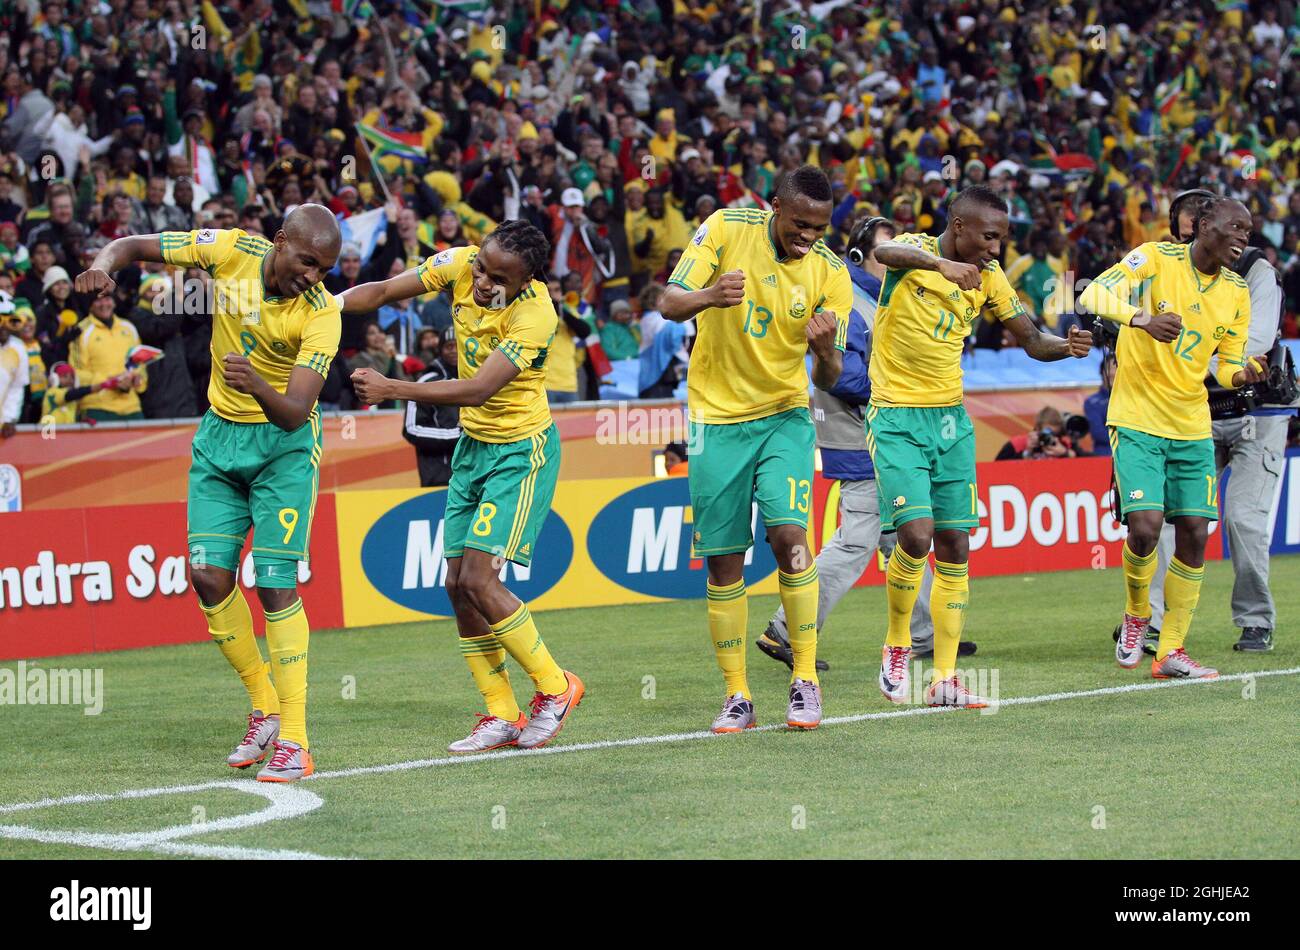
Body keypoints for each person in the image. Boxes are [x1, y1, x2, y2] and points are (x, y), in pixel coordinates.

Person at [76, 204, 344, 782]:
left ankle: (295, 740)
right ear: (279, 242)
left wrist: (256, 382)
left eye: (324, 268)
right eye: (306, 261)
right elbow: (132, 245)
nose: (312, 276)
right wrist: (103, 264)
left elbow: (297, 413)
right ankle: (264, 705)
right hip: (220, 440)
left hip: (284, 451)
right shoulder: (231, 251)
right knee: (207, 575)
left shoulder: (322, 315)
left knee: (274, 583)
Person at [341, 220, 584, 754]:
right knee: (455, 585)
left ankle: (555, 686)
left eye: (498, 277)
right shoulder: (457, 264)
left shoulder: (536, 314)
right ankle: (500, 711)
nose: (482, 280)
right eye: (481, 266)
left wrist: (391, 389)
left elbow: (476, 389)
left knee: (479, 578)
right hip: (472, 450)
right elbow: (381, 291)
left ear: (526, 281)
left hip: (522, 453)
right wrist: (324, 305)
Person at [869, 185, 1092, 707]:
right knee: (916, 534)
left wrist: (1068, 348)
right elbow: (884, 254)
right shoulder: (913, 250)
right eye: (989, 237)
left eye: (1003, 239)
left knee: (955, 544)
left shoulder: (990, 278)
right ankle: (898, 644)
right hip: (896, 414)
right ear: (959, 226)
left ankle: (944, 678)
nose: (996, 249)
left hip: (949, 419)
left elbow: (1033, 340)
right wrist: (938, 266)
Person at [661, 165, 852, 732]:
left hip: (784, 417)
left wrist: (824, 351)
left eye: (819, 228)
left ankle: (805, 678)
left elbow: (830, 377)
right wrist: (708, 296)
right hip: (714, 420)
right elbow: (669, 303)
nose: (808, 237)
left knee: (791, 539)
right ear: (775, 206)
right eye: (799, 225)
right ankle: (737, 694)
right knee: (722, 561)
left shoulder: (829, 272)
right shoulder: (725, 227)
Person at [757, 215, 959, 673]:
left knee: (901, 534)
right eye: (889, 249)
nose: (901, 257)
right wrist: (901, 387)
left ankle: (926, 633)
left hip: (876, 432)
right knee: (857, 541)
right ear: (859, 256)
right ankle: (786, 630)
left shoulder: (882, 299)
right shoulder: (851, 300)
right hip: (862, 434)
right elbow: (841, 374)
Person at [1079, 196, 1266, 679]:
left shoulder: (1237, 291)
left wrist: (1244, 375)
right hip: (1138, 417)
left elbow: (1224, 366)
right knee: (1143, 526)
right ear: (1204, 226)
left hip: (1190, 424)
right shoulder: (1155, 258)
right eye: (1235, 228)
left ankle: (1172, 651)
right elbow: (1092, 295)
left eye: (1249, 231)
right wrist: (1141, 319)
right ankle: (1138, 615)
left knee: (1195, 534)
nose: (1244, 238)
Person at [1140, 190, 1297, 655]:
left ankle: (1255, 620)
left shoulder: (1256, 270)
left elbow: (1256, 342)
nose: (1194, 241)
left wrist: (1182, 355)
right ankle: (1153, 625)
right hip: (1192, 411)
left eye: (1200, 230)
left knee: (1243, 519)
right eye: (1184, 234)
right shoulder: (1167, 266)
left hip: (1257, 411)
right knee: (1169, 518)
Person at [68, 293, 147, 421]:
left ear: (114, 302)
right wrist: (109, 382)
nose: (104, 304)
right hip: (97, 406)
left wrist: (137, 380)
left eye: (107, 299)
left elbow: (140, 363)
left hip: (131, 406)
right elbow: (75, 373)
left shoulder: (128, 328)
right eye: (98, 300)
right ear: (90, 305)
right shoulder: (81, 331)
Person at [403, 327, 460, 487]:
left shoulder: (480, 378)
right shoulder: (427, 382)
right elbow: (411, 428)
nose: (454, 351)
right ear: (440, 350)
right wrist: (458, 435)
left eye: (458, 345)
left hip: (475, 475)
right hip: (439, 476)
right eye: (449, 346)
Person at [994, 406, 1078, 460]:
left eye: (1055, 434)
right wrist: (1026, 453)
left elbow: (1087, 464)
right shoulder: (1017, 444)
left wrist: (1065, 453)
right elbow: (996, 468)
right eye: (1048, 433)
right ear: (1037, 428)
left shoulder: (1064, 443)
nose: (1052, 437)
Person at [1084, 353, 1118, 458]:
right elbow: (1098, 433)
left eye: (1117, 368)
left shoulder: (1130, 399)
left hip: (1130, 456)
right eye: (1110, 368)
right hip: (1105, 456)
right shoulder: (1092, 402)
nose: (1113, 372)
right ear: (1102, 372)